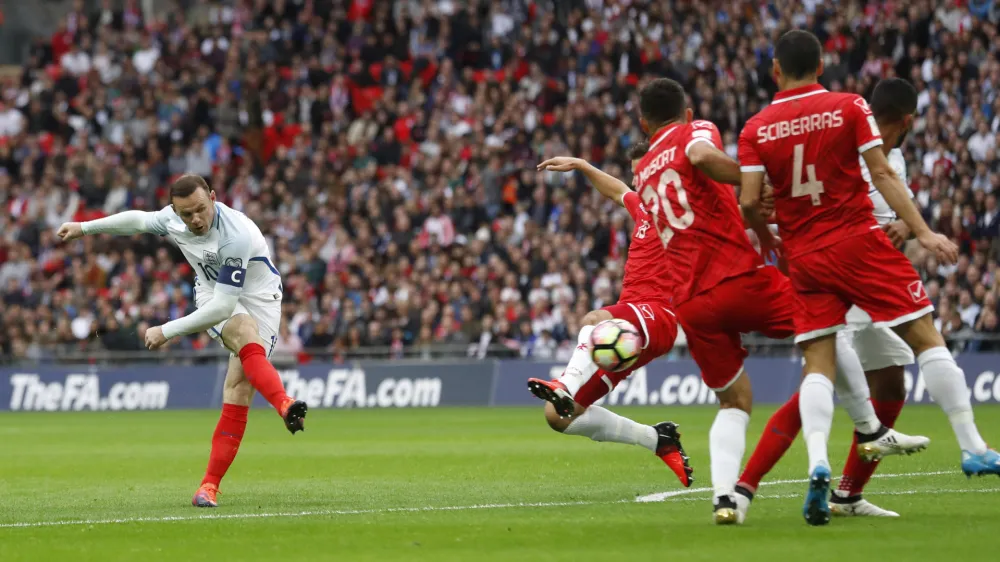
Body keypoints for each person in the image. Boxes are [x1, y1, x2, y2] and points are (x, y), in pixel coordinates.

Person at [628, 78, 927, 525]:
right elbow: (703, 157)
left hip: (689, 301)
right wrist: (755, 183)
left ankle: (726, 500)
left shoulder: (645, 168)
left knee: (734, 402)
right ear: (687, 113)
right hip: (736, 279)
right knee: (823, 329)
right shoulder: (695, 132)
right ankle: (869, 430)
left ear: (642, 122)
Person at [738, 29, 999, 527]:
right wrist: (921, 232)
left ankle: (814, 473)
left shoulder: (756, 127)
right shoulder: (849, 108)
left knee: (826, 370)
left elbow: (750, 200)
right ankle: (973, 446)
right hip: (858, 243)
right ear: (821, 65)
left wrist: (768, 238)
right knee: (925, 336)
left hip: (805, 255)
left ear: (775, 70)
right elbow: (881, 175)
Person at [735, 77, 927, 519]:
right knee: (816, 384)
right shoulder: (841, 137)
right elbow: (793, 196)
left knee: (890, 384)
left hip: (870, 277)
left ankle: (846, 493)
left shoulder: (891, 157)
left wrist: (903, 223)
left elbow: (893, 203)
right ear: (909, 120)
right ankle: (746, 485)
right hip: (839, 270)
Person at [57, 174, 308, 508]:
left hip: (260, 297)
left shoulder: (235, 236)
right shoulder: (174, 219)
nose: (196, 220)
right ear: (176, 210)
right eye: (186, 213)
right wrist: (85, 227)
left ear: (214, 198)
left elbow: (225, 305)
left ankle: (209, 485)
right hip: (212, 292)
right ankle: (283, 404)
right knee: (244, 334)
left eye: (201, 210)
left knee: (238, 388)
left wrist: (167, 330)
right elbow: (139, 221)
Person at [527, 143, 693, 489]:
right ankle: (657, 439)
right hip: (635, 324)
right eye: (637, 175)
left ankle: (563, 383)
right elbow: (618, 190)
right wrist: (583, 164)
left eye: (644, 173)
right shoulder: (645, 206)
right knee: (559, 416)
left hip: (658, 313)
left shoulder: (687, 212)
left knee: (594, 320)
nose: (638, 181)